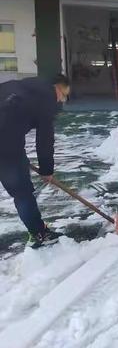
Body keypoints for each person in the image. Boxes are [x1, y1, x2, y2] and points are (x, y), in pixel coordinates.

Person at [0, 74, 70, 248]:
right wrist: (46, 170)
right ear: (57, 87)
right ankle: (39, 233)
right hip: (7, 147)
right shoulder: (46, 99)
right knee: (22, 192)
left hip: (7, 141)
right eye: (64, 94)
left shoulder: (17, 85)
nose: (62, 99)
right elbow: (44, 139)